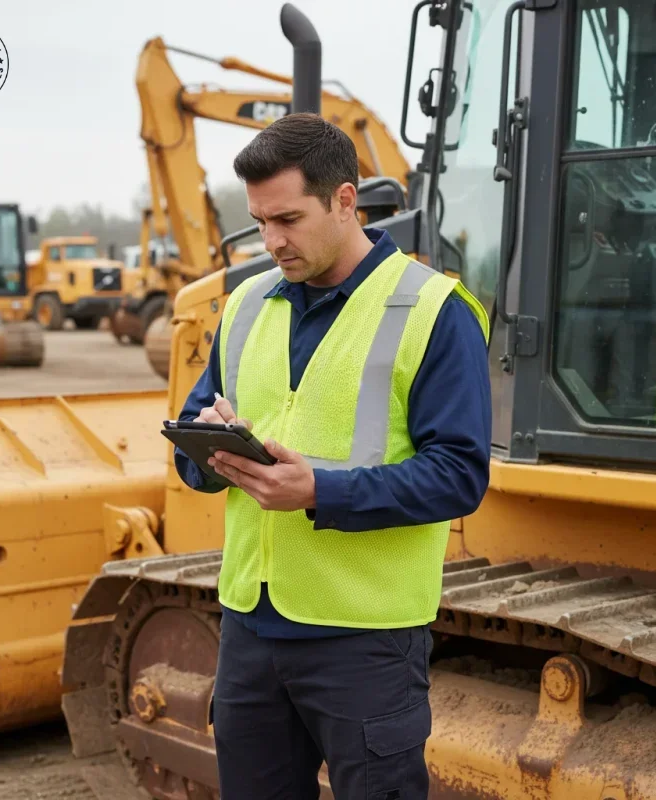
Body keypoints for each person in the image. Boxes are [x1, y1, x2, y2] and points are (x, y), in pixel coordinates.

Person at [174, 112, 491, 799]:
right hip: (250, 632)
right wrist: (210, 450)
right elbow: (191, 446)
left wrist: (319, 490)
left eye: (287, 219)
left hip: (365, 640)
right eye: (259, 221)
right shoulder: (245, 304)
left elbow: (461, 475)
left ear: (346, 200)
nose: (271, 240)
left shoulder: (433, 311)